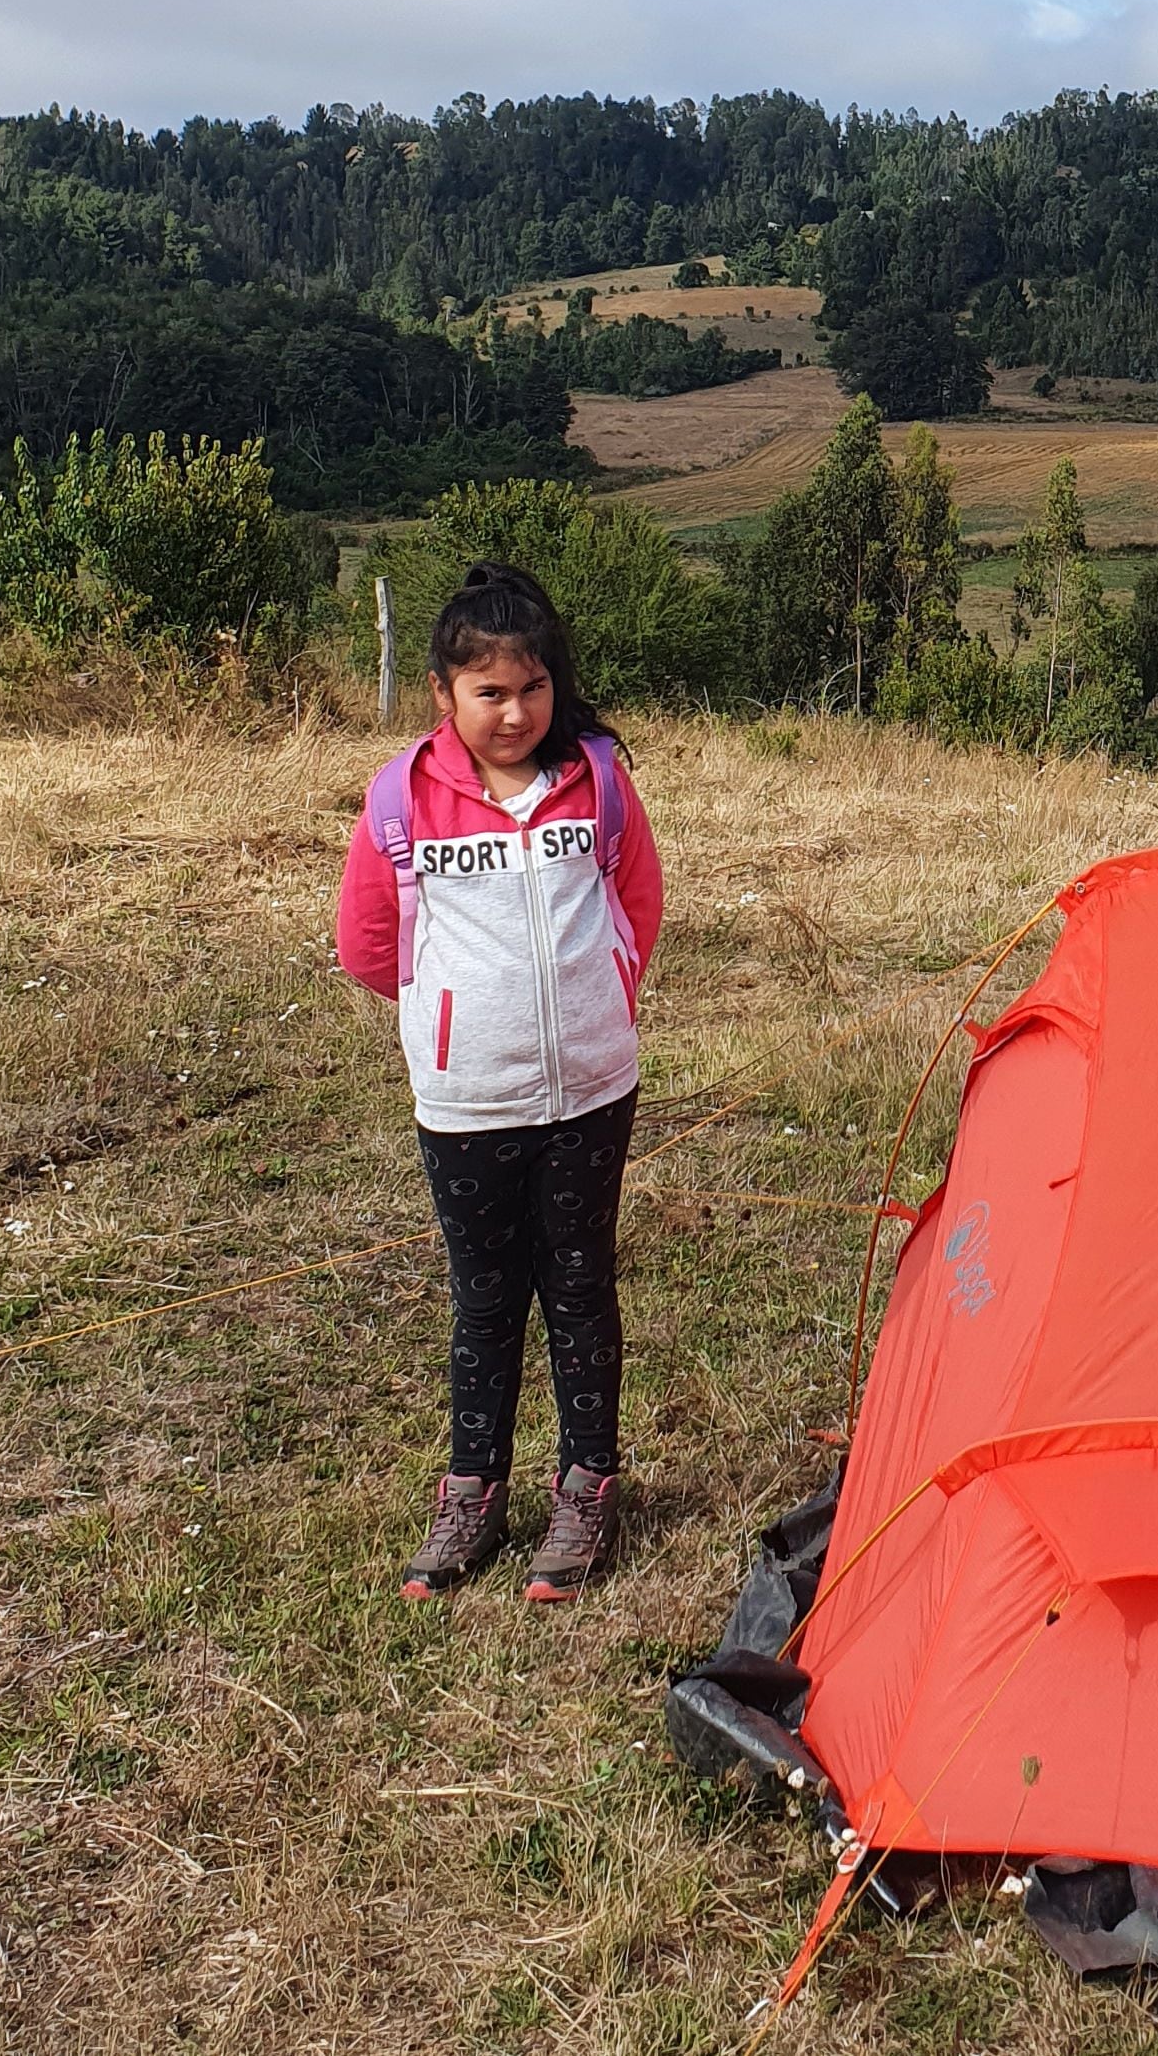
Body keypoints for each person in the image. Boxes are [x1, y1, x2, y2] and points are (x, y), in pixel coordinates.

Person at [336, 561, 663, 1603]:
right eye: (489, 691)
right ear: (444, 692)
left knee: (579, 1286)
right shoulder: (402, 797)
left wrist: (595, 998)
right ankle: (472, 1491)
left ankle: (586, 1486)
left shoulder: (598, 777)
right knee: (484, 1300)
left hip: (590, 1095)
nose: (514, 711)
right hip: (467, 1100)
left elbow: (637, 903)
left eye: (530, 687)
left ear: (554, 684)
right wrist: (456, 1020)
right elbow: (367, 942)